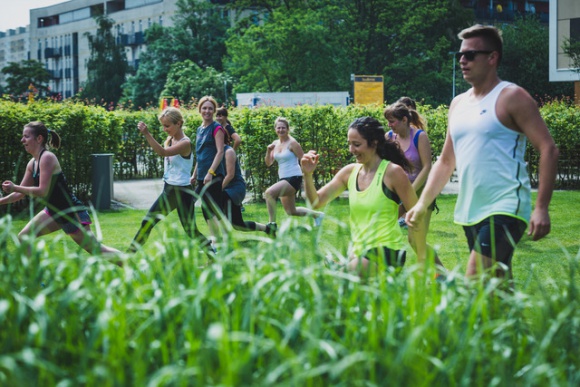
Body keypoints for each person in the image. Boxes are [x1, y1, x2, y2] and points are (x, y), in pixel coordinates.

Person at [406, 24, 558, 283]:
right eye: (460, 55)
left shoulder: (512, 97)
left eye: (471, 55)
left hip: (506, 205)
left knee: (476, 278)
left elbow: (548, 148)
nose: (463, 60)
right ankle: (514, 322)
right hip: (470, 208)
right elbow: (445, 161)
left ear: (492, 57)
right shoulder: (458, 103)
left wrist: (541, 207)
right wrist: (421, 204)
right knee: (497, 286)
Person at [301, 117, 427, 277]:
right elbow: (315, 202)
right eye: (349, 143)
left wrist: (422, 255)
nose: (351, 149)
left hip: (387, 252)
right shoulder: (349, 173)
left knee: (338, 282)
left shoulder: (392, 173)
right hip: (358, 252)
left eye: (357, 144)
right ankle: (343, 266)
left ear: (374, 143)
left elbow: (416, 213)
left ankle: (340, 268)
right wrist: (307, 174)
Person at [1, 121, 121, 263]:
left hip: (70, 212)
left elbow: (42, 191)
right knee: (24, 237)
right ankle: (38, 283)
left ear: (39, 139)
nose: (22, 140)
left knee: (97, 250)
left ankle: (130, 265)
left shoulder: (47, 158)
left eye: (26, 136)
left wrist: (15, 187)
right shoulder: (32, 163)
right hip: (52, 212)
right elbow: (19, 194)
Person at [129, 107, 212, 253]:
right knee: (151, 223)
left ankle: (212, 252)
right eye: (163, 125)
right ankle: (128, 257)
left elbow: (163, 152)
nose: (164, 129)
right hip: (170, 188)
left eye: (167, 126)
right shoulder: (171, 139)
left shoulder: (185, 143)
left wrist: (147, 134)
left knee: (187, 229)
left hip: (180, 191)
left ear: (179, 123)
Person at [384, 102, 446, 276]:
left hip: (421, 192)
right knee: (380, 226)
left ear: (404, 120)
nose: (390, 125)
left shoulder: (419, 136)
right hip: (399, 191)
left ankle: (439, 275)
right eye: (388, 121)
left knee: (415, 240)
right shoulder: (389, 137)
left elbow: (427, 167)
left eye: (392, 121)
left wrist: (410, 190)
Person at [264, 117, 324, 234]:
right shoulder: (275, 144)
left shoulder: (293, 143)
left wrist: (309, 164)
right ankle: (318, 215)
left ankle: (272, 225)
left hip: (294, 178)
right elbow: (268, 163)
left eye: (283, 128)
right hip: (283, 178)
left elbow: (303, 159)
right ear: (275, 129)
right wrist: (268, 151)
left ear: (288, 129)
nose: (281, 130)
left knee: (269, 193)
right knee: (291, 211)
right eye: (278, 128)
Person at [220, 131, 272, 235]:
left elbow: (230, 175)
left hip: (234, 188)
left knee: (217, 202)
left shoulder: (228, 151)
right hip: (225, 189)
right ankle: (268, 228)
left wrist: (217, 189)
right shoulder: (213, 152)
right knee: (238, 225)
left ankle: (219, 242)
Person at [191, 96, 226, 243]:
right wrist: (194, 174)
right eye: (204, 108)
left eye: (210, 108)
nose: (207, 111)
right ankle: (218, 239)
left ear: (214, 110)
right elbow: (200, 155)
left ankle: (217, 240)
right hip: (201, 177)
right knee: (205, 209)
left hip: (214, 175)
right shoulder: (200, 129)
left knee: (210, 210)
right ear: (200, 109)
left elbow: (220, 152)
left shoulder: (217, 128)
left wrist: (210, 173)